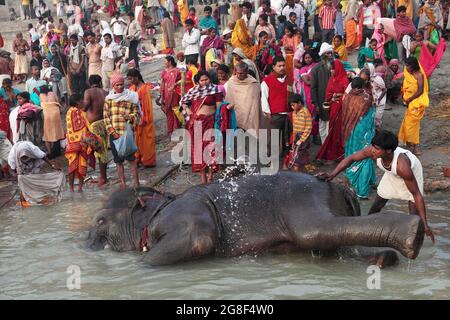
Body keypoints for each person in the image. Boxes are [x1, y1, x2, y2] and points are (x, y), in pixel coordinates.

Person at [318, 130, 435, 243]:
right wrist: (332, 174)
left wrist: (425, 223)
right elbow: (351, 158)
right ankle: (367, 227)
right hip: (392, 172)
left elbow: (417, 195)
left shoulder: (402, 167)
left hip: (411, 171)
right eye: (373, 146)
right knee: (379, 201)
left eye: (377, 149)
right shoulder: (373, 151)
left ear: (388, 151)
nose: (373, 151)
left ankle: (414, 238)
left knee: (413, 212)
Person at [180, 71, 224, 184]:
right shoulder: (193, 91)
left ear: (210, 79)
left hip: (211, 122)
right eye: (202, 80)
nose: (204, 82)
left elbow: (219, 107)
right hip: (197, 123)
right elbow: (183, 102)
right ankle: (202, 177)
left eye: (206, 79)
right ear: (198, 81)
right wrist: (188, 111)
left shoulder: (216, 90)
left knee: (211, 149)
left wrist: (221, 118)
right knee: (198, 150)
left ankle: (210, 175)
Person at [340, 77, 376, 198]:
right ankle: (363, 191)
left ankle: (353, 183)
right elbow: (371, 117)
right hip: (363, 132)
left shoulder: (347, 98)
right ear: (362, 86)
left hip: (350, 132)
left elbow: (344, 116)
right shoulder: (366, 98)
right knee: (365, 157)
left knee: (351, 156)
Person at [103, 73, 140, 189]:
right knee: (118, 161)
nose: (120, 87)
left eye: (121, 85)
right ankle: (123, 183)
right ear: (113, 86)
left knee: (131, 160)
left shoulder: (131, 97)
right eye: (117, 85)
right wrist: (112, 131)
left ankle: (136, 183)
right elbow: (106, 117)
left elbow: (137, 114)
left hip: (127, 133)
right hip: (114, 134)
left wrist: (129, 116)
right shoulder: (108, 100)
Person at [8, 140, 65, 206]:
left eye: (26, 156)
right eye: (23, 157)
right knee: (22, 182)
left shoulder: (32, 149)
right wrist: (18, 176)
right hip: (21, 166)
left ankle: (38, 196)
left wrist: (52, 165)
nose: (25, 158)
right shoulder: (12, 158)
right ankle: (24, 200)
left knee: (34, 177)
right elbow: (12, 170)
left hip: (33, 160)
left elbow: (43, 156)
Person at [316, 58, 348, 162]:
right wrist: (333, 97)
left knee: (339, 131)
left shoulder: (345, 80)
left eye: (333, 69)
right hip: (333, 107)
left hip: (341, 109)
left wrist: (339, 95)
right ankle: (331, 152)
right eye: (331, 69)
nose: (331, 71)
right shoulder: (331, 79)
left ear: (338, 69)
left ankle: (339, 153)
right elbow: (328, 93)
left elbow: (348, 96)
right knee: (332, 129)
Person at [398, 56, 428, 156]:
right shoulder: (408, 73)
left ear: (414, 65)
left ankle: (415, 145)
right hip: (408, 102)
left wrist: (410, 100)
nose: (406, 68)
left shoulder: (419, 75)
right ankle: (410, 144)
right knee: (408, 124)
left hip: (416, 103)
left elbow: (420, 90)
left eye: (408, 65)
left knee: (412, 125)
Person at [65, 93, 95, 192]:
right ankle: (79, 188)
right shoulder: (78, 112)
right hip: (80, 143)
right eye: (81, 101)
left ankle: (72, 189)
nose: (83, 102)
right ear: (77, 102)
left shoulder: (70, 112)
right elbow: (84, 126)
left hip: (72, 144)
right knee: (81, 164)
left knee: (73, 165)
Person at [83, 75, 109, 187]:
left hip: (95, 125)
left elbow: (85, 106)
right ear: (100, 82)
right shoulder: (105, 92)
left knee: (100, 151)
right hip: (105, 122)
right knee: (103, 149)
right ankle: (103, 176)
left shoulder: (88, 92)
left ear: (89, 83)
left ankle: (103, 177)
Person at [261, 56, 289, 159]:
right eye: (279, 66)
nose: (282, 68)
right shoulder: (267, 81)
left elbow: (294, 94)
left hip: (288, 114)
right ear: (273, 67)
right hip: (274, 115)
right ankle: (271, 159)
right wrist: (267, 113)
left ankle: (286, 159)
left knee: (287, 139)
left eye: (283, 65)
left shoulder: (289, 79)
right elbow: (263, 98)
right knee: (273, 139)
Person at [127, 69, 156, 168]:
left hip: (144, 119)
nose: (130, 81)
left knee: (146, 141)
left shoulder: (144, 89)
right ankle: (138, 158)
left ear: (136, 77)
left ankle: (148, 161)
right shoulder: (131, 88)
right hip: (135, 119)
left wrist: (143, 119)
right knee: (136, 140)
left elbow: (147, 106)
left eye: (131, 78)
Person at [224, 62, 260, 137]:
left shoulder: (253, 83)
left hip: (249, 115)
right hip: (235, 113)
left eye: (242, 73)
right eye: (238, 73)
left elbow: (255, 103)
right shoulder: (231, 81)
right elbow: (229, 98)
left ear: (247, 72)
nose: (239, 75)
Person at [310, 42, 334, 144]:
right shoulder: (316, 69)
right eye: (328, 54)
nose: (330, 55)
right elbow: (313, 88)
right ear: (323, 55)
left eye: (331, 53)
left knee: (332, 124)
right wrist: (316, 104)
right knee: (323, 124)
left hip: (334, 100)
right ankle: (325, 146)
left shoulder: (335, 66)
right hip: (321, 101)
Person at [282, 93, 312, 172]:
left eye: (293, 105)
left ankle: (298, 170)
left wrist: (301, 139)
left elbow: (308, 127)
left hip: (303, 137)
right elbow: (294, 127)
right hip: (297, 136)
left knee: (299, 155)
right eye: (291, 106)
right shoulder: (294, 113)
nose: (292, 107)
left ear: (299, 103)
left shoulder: (306, 112)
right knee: (297, 153)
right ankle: (299, 169)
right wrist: (295, 139)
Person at [39, 85, 65, 155]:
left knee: (47, 134)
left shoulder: (41, 95)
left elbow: (40, 105)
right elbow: (58, 101)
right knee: (57, 131)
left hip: (47, 115)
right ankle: (57, 150)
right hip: (55, 113)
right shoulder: (53, 93)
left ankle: (50, 152)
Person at [159, 56, 181, 136]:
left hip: (175, 94)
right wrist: (160, 95)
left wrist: (175, 86)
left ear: (170, 62)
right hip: (166, 94)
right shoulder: (164, 72)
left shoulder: (178, 71)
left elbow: (182, 81)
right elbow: (162, 84)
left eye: (165, 61)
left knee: (176, 110)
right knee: (168, 112)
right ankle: (170, 130)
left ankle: (178, 128)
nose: (164, 63)